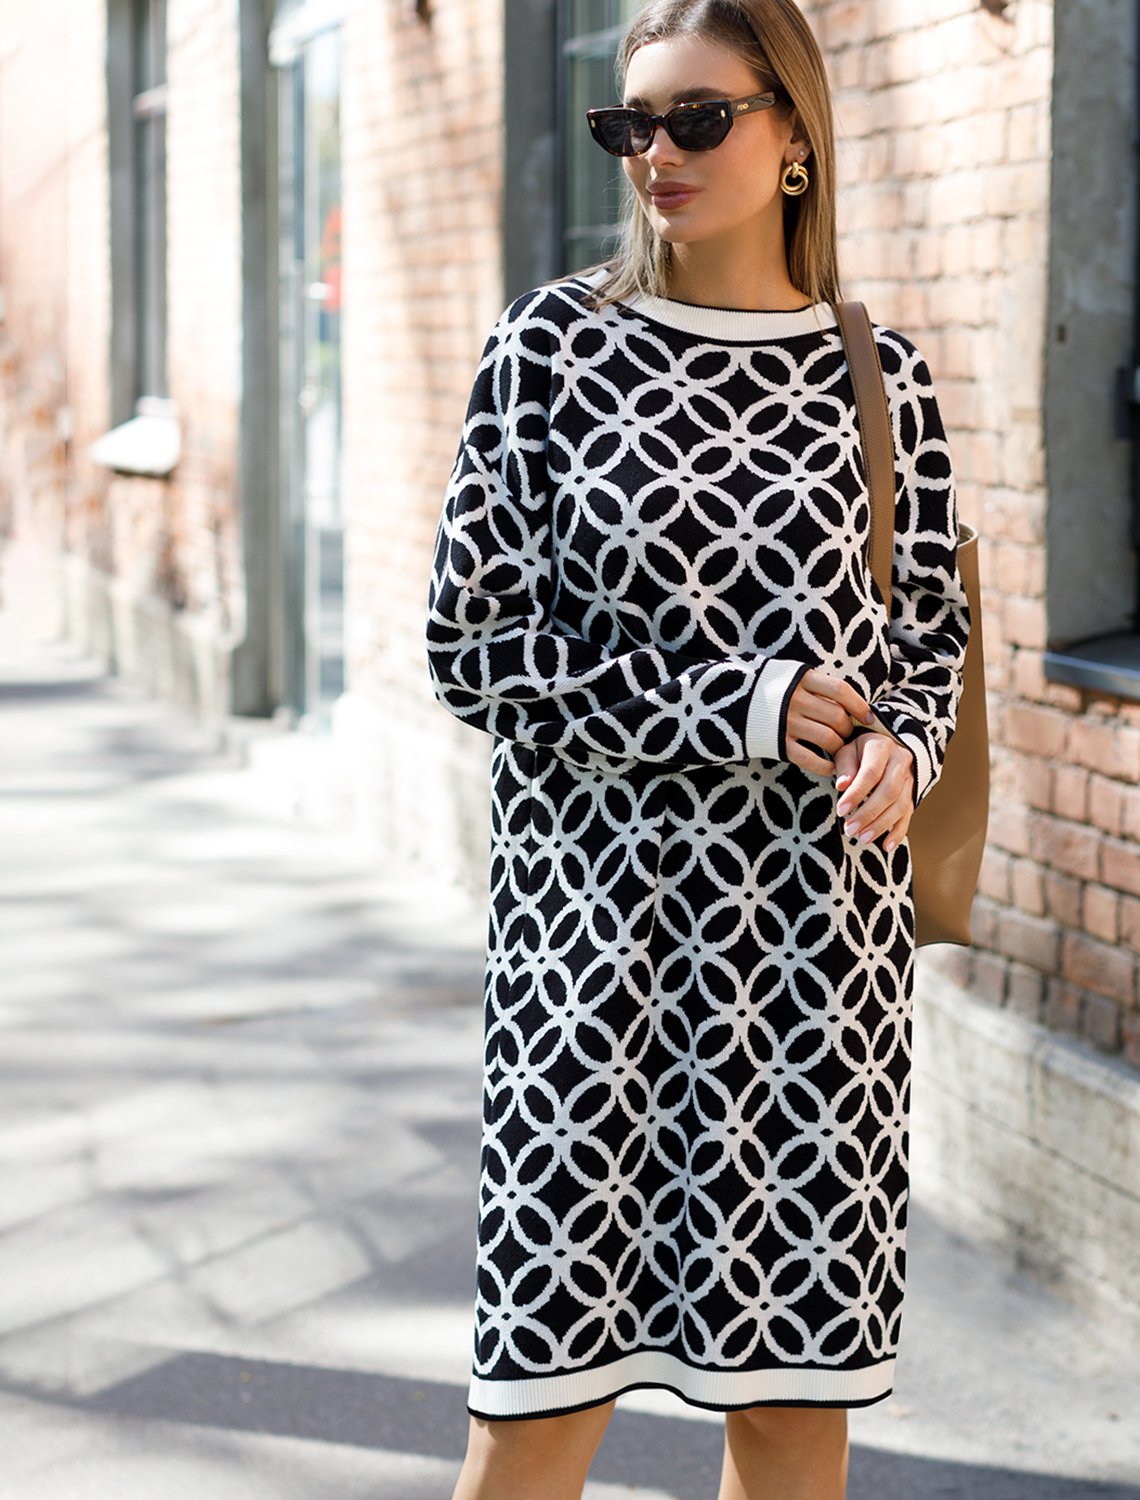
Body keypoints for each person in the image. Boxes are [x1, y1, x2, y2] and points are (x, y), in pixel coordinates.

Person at [426, 1, 968, 1495]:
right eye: (632, 123)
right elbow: (472, 648)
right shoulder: (552, 349)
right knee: (535, 1414)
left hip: (816, 976)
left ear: (793, 135)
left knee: (791, 1412)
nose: (656, 153)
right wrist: (738, 706)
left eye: (698, 118)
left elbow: (928, 630)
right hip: (591, 960)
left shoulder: (881, 373)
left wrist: (905, 748)